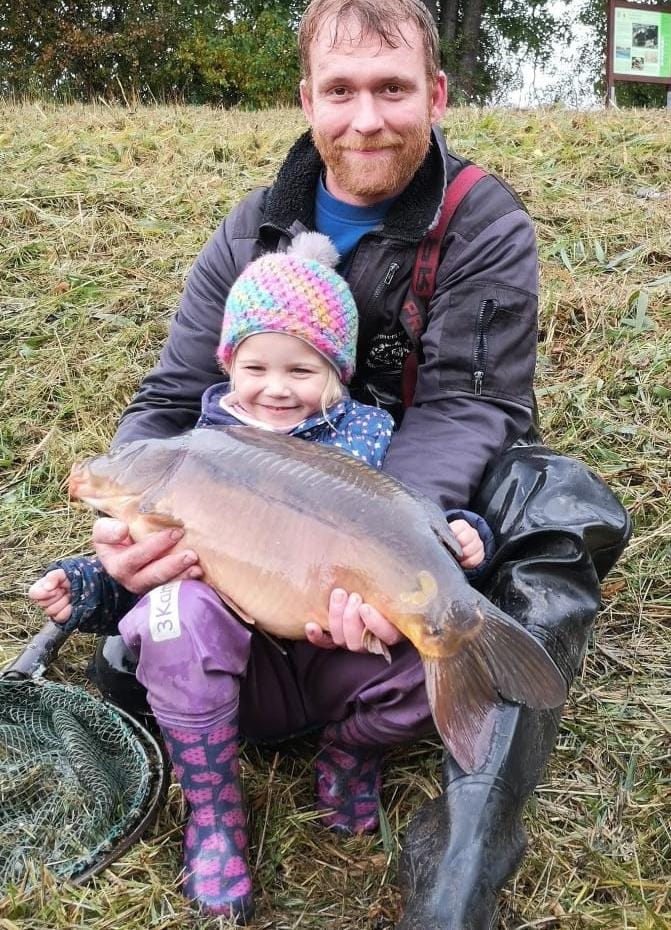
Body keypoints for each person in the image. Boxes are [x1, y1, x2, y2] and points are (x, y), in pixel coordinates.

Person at [40, 1, 631, 927]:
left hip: (406, 491)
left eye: (392, 89)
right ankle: (264, 678)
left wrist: (390, 545)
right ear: (305, 99)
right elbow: (169, 401)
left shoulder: (482, 224)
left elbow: (469, 407)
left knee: (555, 515)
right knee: (142, 622)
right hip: (262, 490)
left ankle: (464, 841)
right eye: (341, 90)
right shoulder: (248, 232)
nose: (366, 119)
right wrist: (122, 530)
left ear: (434, 95)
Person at [30, 232, 492, 922]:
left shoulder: (368, 449)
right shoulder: (192, 453)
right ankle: (213, 814)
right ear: (227, 366)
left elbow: (412, 522)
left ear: (337, 374)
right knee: (172, 609)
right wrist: (86, 585)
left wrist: (463, 536)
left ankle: (349, 754)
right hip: (229, 680)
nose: (276, 388)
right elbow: (135, 574)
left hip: (332, 660)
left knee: (431, 654)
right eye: (256, 366)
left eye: (301, 371)